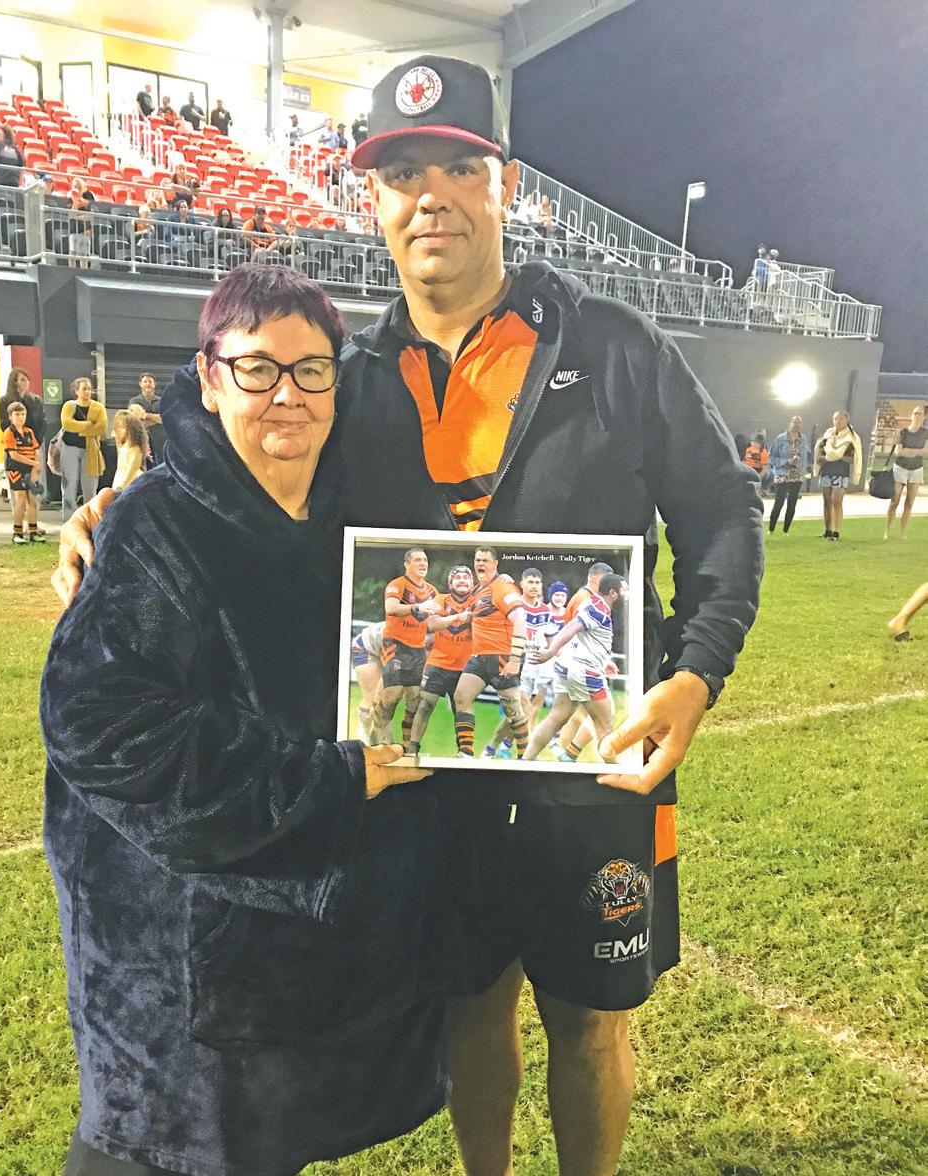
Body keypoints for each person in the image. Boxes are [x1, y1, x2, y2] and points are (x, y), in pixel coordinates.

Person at [56, 54, 764, 1176]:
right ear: (372, 201)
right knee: (466, 1007)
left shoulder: (612, 346)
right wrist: (123, 503)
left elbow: (721, 513)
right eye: (401, 175)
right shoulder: (355, 374)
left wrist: (697, 670)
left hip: (596, 766)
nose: (430, 197)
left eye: (456, 168)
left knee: (589, 1021)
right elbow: (252, 467)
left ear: (504, 185)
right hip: (427, 770)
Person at [42, 264, 443, 1175]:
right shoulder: (154, 522)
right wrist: (326, 782)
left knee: (265, 1145)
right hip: (174, 946)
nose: (287, 394)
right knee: (154, 1147)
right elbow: (97, 728)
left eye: (311, 370)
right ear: (211, 375)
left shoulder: (356, 514)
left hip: (291, 947)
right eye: (258, 368)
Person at [524, 574, 628, 761]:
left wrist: (605, 660)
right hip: (584, 671)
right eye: (624, 590)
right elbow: (571, 628)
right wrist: (551, 650)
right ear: (613, 593)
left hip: (568, 667)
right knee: (604, 725)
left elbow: (587, 638)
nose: (627, 594)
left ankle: (526, 761)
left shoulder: (592, 603)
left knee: (556, 718)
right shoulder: (598, 610)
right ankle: (616, 772)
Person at [451, 547, 530, 759]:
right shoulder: (477, 590)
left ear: (495, 564)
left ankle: (525, 757)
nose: (480, 564)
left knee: (513, 711)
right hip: (479, 657)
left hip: (502, 656)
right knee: (461, 696)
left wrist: (514, 659)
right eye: (477, 560)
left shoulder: (503, 587)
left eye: (485, 560)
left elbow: (520, 621)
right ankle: (466, 753)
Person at [482, 566, 555, 759]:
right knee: (526, 710)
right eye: (530, 582)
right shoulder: (514, 605)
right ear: (521, 583)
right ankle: (528, 755)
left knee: (516, 714)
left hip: (537, 668)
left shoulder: (545, 610)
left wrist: (551, 654)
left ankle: (492, 748)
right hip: (516, 665)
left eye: (537, 583)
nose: (534, 586)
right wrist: (502, 579)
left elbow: (551, 641)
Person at [373, 547, 440, 746]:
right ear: (406, 564)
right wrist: (417, 607)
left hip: (418, 650)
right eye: (417, 560)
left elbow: (432, 621)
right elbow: (391, 608)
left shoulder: (432, 591)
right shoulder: (397, 585)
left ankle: (406, 747)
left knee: (414, 699)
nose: (423, 563)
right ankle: (378, 736)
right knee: (392, 694)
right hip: (395, 644)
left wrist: (452, 621)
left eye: (425, 560)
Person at [408, 564, 475, 754]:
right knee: (425, 704)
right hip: (438, 663)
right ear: (450, 583)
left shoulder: (478, 601)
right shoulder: (440, 599)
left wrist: (505, 579)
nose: (462, 580)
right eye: (457, 578)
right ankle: (412, 748)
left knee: (461, 708)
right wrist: (458, 617)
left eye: (466, 577)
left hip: (465, 667)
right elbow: (432, 624)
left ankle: (464, 752)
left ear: (472, 582)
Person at [59, 377, 105, 521]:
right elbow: (67, 424)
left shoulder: (98, 407)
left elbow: (101, 427)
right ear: (76, 391)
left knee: (90, 487)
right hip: (70, 448)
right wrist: (88, 424)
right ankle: (69, 520)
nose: (87, 392)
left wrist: (79, 428)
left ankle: (89, 520)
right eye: (84, 389)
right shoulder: (69, 406)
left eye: (89, 389)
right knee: (69, 485)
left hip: (90, 451)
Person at [814, 410, 863, 540]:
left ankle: (836, 531)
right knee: (827, 501)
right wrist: (829, 457)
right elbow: (819, 457)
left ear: (846, 420)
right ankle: (827, 530)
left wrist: (837, 456)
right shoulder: (827, 436)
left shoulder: (851, 437)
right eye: (836, 419)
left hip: (841, 472)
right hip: (827, 471)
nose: (838, 421)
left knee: (837, 501)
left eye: (841, 419)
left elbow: (854, 458)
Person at [2, 400, 44, 544]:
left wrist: (34, 468)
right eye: (17, 414)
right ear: (10, 417)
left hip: (30, 469)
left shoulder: (29, 432)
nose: (20, 417)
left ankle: (33, 531)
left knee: (32, 499)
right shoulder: (9, 433)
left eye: (23, 414)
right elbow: (14, 455)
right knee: (20, 500)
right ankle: (17, 533)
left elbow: (36, 450)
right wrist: (34, 463)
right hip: (15, 469)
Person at [884, 403, 926, 539]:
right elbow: (899, 451)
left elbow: (926, 452)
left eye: (920, 414)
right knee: (894, 500)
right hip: (900, 467)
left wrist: (911, 451)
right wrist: (916, 451)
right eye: (915, 413)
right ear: (911, 415)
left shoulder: (925, 433)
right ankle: (887, 531)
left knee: (909, 503)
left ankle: (902, 533)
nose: (917, 416)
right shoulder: (903, 432)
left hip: (916, 469)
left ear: (924, 417)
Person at [767, 415, 812, 534]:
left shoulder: (803, 439)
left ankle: (785, 530)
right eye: (795, 422)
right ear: (790, 423)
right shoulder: (780, 439)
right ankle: (771, 529)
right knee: (779, 502)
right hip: (782, 474)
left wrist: (805, 468)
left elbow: (808, 456)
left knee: (792, 503)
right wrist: (786, 461)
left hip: (797, 475)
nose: (797, 425)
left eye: (799, 422)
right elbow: (771, 457)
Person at [350, 620, 386, 743]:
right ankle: (364, 738)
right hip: (364, 647)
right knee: (373, 696)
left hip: (387, 648)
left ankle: (382, 739)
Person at [128, 371, 167, 462]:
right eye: (145, 382)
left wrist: (145, 415)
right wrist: (155, 419)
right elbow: (135, 420)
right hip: (140, 441)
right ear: (140, 384)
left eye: (150, 382)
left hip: (160, 442)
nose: (148, 384)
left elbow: (164, 419)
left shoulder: (162, 401)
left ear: (154, 384)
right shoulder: (134, 401)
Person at [110, 408, 148, 490]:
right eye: (117, 428)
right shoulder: (123, 447)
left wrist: (121, 487)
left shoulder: (135, 449)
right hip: (120, 478)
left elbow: (132, 470)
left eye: (122, 428)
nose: (119, 431)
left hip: (131, 482)